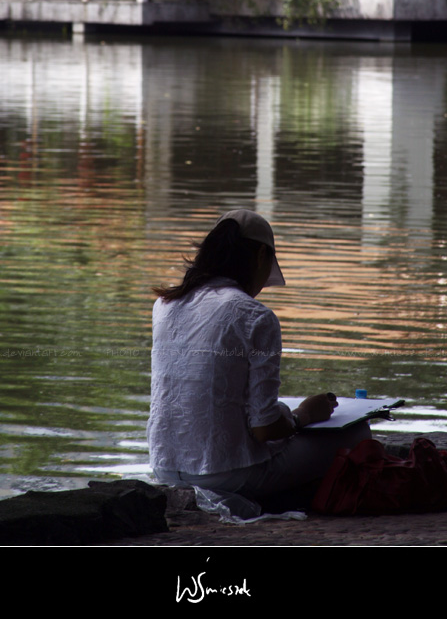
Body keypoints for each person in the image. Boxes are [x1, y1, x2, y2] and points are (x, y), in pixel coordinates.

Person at [147, 208, 371, 508]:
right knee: (357, 431)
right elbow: (264, 429)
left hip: (164, 467)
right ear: (261, 256)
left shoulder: (164, 305)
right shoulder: (255, 316)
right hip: (226, 473)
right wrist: (304, 414)